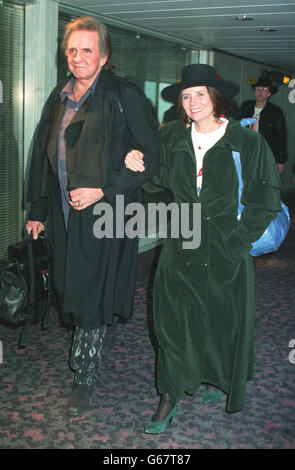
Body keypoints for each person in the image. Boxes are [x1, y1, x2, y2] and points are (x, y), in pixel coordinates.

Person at [125, 64, 282, 434]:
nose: (192, 102)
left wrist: (237, 242)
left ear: (216, 97)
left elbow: (265, 201)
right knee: (172, 320)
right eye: (185, 95)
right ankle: (169, 393)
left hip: (226, 246)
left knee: (221, 319)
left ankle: (215, 378)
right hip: (180, 244)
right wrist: (136, 160)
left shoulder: (247, 142)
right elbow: (153, 182)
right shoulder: (172, 138)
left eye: (199, 93)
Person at [25, 15, 160, 418]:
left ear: (104, 57)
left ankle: (83, 379)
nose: (79, 58)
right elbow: (41, 156)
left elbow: (151, 157)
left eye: (87, 50)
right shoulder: (59, 96)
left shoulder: (124, 94)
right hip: (65, 214)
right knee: (72, 286)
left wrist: (105, 188)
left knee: (91, 290)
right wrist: (37, 208)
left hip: (110, 212)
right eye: (72, 50)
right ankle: (101, 333)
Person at [240, 76, 287, 174]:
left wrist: (281, 161)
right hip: (246, 152)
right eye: (258, 88)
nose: (260, 92)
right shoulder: (245, 107)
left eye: (265, 89)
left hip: (266, 154)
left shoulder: (275, 112)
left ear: (269, 93)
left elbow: (281, 137)